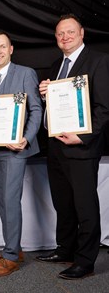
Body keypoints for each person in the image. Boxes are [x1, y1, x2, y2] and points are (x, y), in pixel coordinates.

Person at [36, 14, 109, 280]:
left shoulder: (99, 61)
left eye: (70, 32)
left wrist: (84, 136)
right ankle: (65, 249)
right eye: (60, 34)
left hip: (81, 147)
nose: (65, 37)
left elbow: (104, 108)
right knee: (63, 203)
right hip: (56, 146)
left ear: (81, 33)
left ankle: (85, 261)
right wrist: (45, 94)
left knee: (84, 205)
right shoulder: (56, 65)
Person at [0, 32, 42, 277]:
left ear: (11, 49)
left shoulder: (25, 73)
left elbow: (36, 109)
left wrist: (26, 137)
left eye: (2, 47)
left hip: (16, 150)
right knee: (1, 201)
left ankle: (11, 257)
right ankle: (12, 247)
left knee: (11, 201)